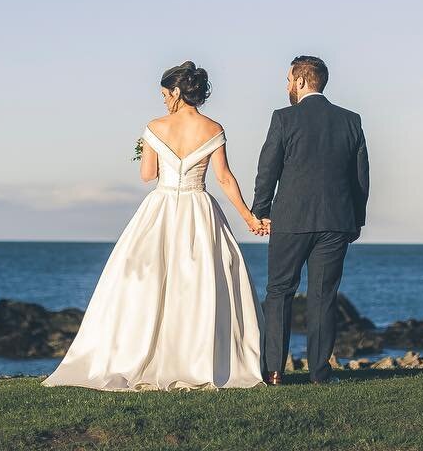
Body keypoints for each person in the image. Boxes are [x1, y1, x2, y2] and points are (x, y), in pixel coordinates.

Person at [42, 61, 266, 390]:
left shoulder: (155, 127)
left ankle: (140, 354)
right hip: (198, 207)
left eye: (164, 93)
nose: (162, 99)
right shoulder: (213, 128)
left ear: (176, 92)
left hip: (161, 207)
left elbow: (147, 175)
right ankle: (197, 357)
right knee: (199, 281)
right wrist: (248, 216)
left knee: (145, 279)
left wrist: (154, 153)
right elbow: (224, 178)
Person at [251, 54, 370, 385]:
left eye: (289, 79)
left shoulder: (283, 118)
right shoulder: (351, 120)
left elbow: (268, 170)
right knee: (323, 296)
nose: (287, 85)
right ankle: (320, 373)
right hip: (336, 221)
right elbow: (361, 177)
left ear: (301, 81)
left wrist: (261, 210)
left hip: (290, 219)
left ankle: (274, 371)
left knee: (279, 292)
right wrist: (356, 220)